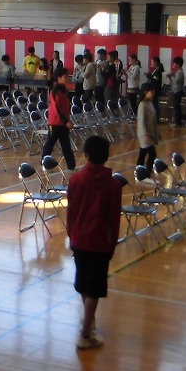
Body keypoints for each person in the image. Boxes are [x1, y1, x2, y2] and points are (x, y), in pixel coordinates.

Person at [66, 135, 122, 351]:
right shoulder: (113, 185)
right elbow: (113, 219)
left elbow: (70, 213)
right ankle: (85, 333)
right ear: (106, 156)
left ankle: (89, 320)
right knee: (94, 289)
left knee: (83, 284)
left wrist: (71, 235)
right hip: (99, 242)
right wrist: (112, 245)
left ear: (86, 154)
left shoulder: (75, 180)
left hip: (78, 238)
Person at [41, 70, 76, 171]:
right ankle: (44, 164)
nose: (67, 78)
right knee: (49, 145)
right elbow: (57, 109)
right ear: (59, 78)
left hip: (63, 124)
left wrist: (68, 120)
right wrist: (66, 121)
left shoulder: (64, 91)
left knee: (66, 146)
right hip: (55, 123)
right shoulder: (55, 91)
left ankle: (71, 166)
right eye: (65, 76)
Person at [136, 83, 160, 171]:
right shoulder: (142, 105)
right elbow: (141, 122)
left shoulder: (149, 103)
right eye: (151, 92)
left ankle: (140, 170)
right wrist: (145, 135)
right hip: (145, 134)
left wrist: (157, 132)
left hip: (150, 132)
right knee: (151, 153)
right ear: (146, 92)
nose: (153, 93)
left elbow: (153, 119)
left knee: (143, 153)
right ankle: (146, 171)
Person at [168, 56, 186, 126]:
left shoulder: (180, 72)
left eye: (174, 63)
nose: (173, 65)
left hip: (177, 92)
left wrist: (171, 76)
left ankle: (177, 122)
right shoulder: (178, 72)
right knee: (176, 107)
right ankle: (177, 122)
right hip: (175, 91)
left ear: (178, 64)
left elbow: (176, 81)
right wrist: (171, 76)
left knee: (176, 107)